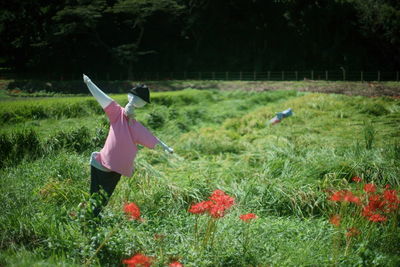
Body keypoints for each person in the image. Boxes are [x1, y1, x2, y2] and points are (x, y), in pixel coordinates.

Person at [82, 74, 173, 217]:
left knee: (97, 196)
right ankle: (92, 217)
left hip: (109, 165)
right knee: (103, 196)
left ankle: (91, 218)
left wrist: (90, 83)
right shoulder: (129, 122)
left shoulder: (121, 116)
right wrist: (165, 147)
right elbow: (152, 139)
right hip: (117, 166)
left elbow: (105, 100)